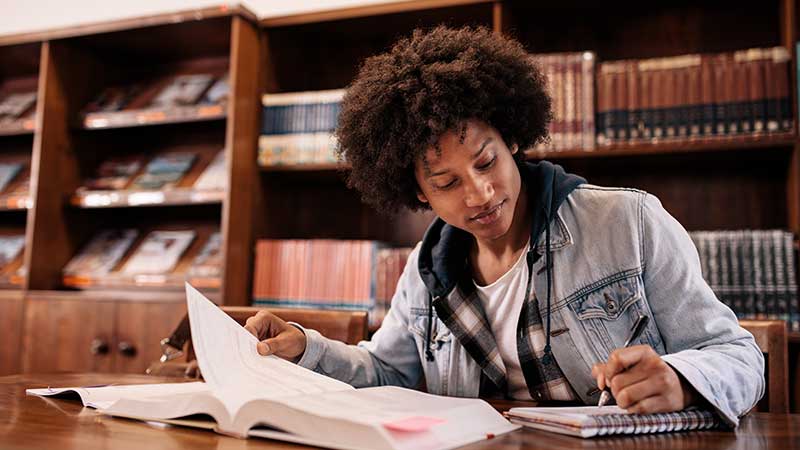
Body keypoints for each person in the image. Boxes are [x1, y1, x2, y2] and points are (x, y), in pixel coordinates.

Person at [243, 26, 763, 427]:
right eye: (446, 183)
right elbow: (389, 373)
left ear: (512, 139)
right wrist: (304, 347)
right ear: (418, 193)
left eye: (487, 162)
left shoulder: (630, 222)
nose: (480, 194)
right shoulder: (426, 272)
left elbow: (740, 359)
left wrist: (680, 380)